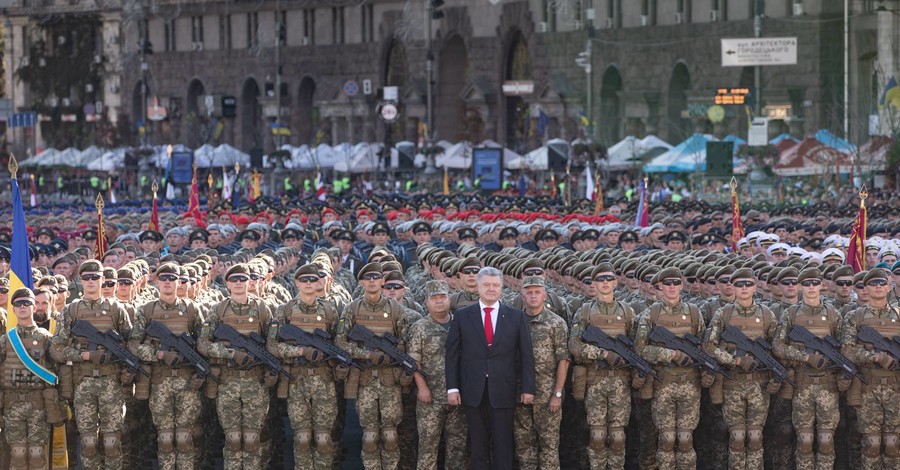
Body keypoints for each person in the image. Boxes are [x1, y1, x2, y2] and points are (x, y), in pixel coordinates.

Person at [445, 266, 536, 470]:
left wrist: (528, 389)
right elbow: (451, 355)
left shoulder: (515, 316)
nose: (491, 289)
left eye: (495, 285)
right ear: (478, 286)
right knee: (478, 446)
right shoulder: (462, 315)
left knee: (503, 446)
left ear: (502, 288)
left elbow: (527, 356)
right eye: (486, 285)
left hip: (503, 390)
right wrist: (452, 388)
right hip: (472, 391)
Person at [51, 259, 133, 470]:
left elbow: (130, 346)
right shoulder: (71, 311)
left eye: (95, 277)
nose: (90, 281)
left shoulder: (116, 309)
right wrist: (85, 355)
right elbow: (56, 349)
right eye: (86, 278)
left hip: (111, 382)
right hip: (83, 381)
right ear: (80, 280)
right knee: (88, 442)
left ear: (103, 280)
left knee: (112, 442)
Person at [128, 263, 205, 470]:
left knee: (184, 436)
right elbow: (134, 344)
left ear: (179, 282)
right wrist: (159, 354)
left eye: (172, 278)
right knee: (165, 438)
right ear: (156, 282)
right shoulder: (146, 310)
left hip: (187, 381)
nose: (168, 282)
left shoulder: (191, 309)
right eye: (164, 279)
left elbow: (203, 343)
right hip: (160, 380)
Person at [334, 262, 410, 470]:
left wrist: (389, 357)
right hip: (365, 379)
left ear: (383, 281)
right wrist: (366, 354)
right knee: (369, 434)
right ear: (361, 282)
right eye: (368, 278)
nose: (372, 281)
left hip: (389, 380)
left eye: (376, 277)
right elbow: (340, 342)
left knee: (390, 433)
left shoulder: (397, 309)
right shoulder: (353, 309)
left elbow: (405, 343)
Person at [198, 263, 274, 470]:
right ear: (227, 284)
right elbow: (203, 344)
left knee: (251, 439)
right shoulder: (219, 310)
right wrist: (231, 353)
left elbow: (272, 345)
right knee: (232, 439)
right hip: (228, 381)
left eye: (243, 279)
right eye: (234, 280)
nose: (239, 283)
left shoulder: (262, 309)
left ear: (250, 282)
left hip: (255, 381)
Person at [703, 268, 778, 470]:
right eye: (738, 284)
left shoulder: (766, 314)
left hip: (759, 384)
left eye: (748, 284)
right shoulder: (723, 313)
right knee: (736, 437)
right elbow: (709, 346)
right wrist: (733, 360)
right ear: (733, 287)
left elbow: (776, 348)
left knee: (755, 437)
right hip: (733, 383)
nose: (743, 288)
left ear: (755, 287)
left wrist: (764, 363)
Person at [267, 264, 340, 470]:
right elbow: (272, 345)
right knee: (302, 438)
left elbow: (338, 343)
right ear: (296, 282)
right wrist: (299, 352)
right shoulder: (286, 310)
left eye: (313, 280)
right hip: (296, 380)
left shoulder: (329, 310)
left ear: (319, 283)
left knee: (324, 438)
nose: (308, 284)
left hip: (324, 379)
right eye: (304, 280)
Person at [635, 267, 707, 470]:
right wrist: (671, 355)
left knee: (685, 440)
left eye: (676, 283)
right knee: (666, 440)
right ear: (660, 287)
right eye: (668, 284)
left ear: (682, 286)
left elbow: (703, 347)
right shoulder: (651, 313)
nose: (672, 287)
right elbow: (640, 348)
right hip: (663, 383)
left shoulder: (694, 312)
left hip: (690, 384)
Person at [773, 267, 843, 470]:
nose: (811, 287)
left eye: (815, 283)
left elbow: (844, 349)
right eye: (806, 283)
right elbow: (778, 346)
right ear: (800, 286)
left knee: (826, 441)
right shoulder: (791, 313)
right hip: (802, 384)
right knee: (804, 441)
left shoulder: (833, 314)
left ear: (822, 285)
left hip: (828, 386)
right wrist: (805, 357)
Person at [569, 263, 637, 470]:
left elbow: (636, 348)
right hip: (595, 379)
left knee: (617, 436)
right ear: (594, 283)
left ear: (616, 282)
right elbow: (574, 345)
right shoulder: (585, 311)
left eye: (609, 279)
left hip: (620, 381)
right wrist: (603, 354)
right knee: (597, 435)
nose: (605, 283)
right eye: (600, 280)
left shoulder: (628, 312)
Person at [841, 269, 900, 470]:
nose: (878, 286)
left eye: (882, 282)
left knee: (893, 444)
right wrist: (876, 357)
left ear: (889, 285)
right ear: (865, 288)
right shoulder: (854, 317)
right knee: (871, 444)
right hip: (868, 387)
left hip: (896, 388)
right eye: (873, 283)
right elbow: (847, 351)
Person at [407, 280, 468, 470]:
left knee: (458, 448)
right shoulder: (420, 327)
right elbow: (413, 362)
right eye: (434, 298)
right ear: (426, 301)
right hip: (430, 398)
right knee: (428, 447)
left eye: (443, 296)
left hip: (458, 396)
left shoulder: (461, 323)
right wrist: (422, 388)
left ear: (449, 298)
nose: (439, 301)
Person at [0, 287, 63, 470]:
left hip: (38, 405)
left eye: (27, 303)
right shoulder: (6, 340)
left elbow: (58, 371)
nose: (22, 307)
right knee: (17, 455)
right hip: (12, 405)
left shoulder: (46, 339)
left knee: (37, 455)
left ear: (34, 307)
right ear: (13, 309)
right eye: (18, 304)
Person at [513, 276, 569, 470]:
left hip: (547, 396)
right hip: (519, 394)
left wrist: (558, 393)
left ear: (545, 295)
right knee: (524, 447)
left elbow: (563, 360)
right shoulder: (514, 321)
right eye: (529, 292)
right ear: (522, 296)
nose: (533, 296)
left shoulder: (556, 323)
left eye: (537, 292)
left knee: (549, 447)